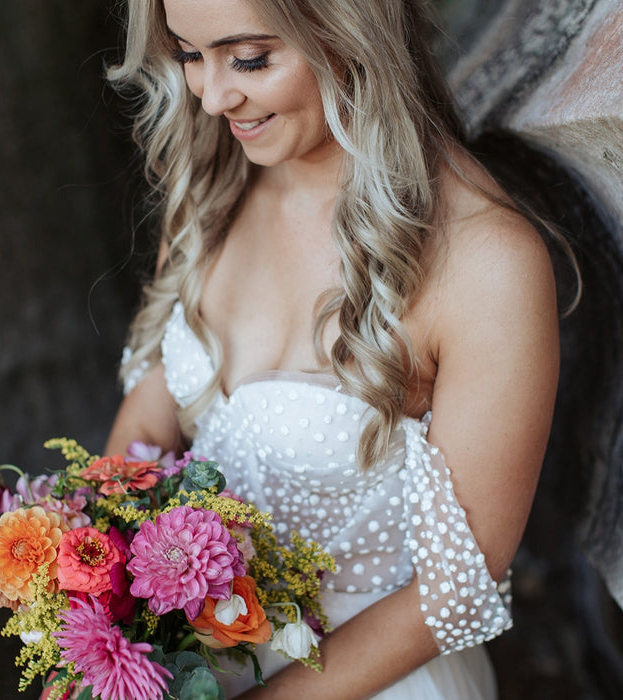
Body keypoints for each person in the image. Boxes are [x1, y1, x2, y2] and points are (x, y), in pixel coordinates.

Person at [103, 0, 566, 697]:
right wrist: (93, 600)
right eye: (190, 54)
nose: (212, 95)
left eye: (251, 59)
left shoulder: (485, 262)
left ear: (351, 31)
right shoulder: (214, 186)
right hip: (184, 670)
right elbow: (150, 416)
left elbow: (454, 593)